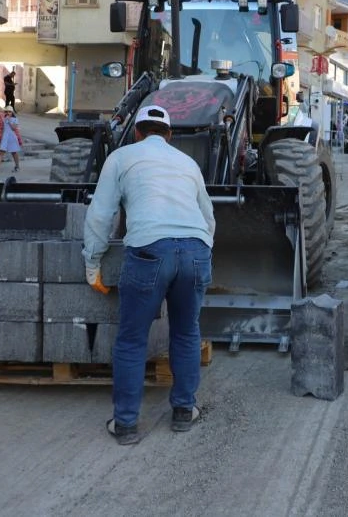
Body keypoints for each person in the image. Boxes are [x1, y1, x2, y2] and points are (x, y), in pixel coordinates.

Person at [83, 105, 216, 446]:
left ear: (138, 132)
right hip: (196, 249)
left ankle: (126, 424)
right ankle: (184, 412)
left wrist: (92, 262)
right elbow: (208, 217)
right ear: (169, 135)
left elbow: (101, 214)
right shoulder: (188, 163)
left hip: (148, 252)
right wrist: (200, 255)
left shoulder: (121, 157)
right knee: (186, 334)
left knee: (132, 339)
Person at [0, 106, 23, 172]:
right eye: (6, 111)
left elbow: (13, 128)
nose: (8, 113)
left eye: (9, 112)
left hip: (12, 137)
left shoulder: (15, 119)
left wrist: (9, 120)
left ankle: (17, 166)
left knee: (14, 152)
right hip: (5, 136)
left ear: (12, 112)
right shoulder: (3, 118)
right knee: (1, 152)